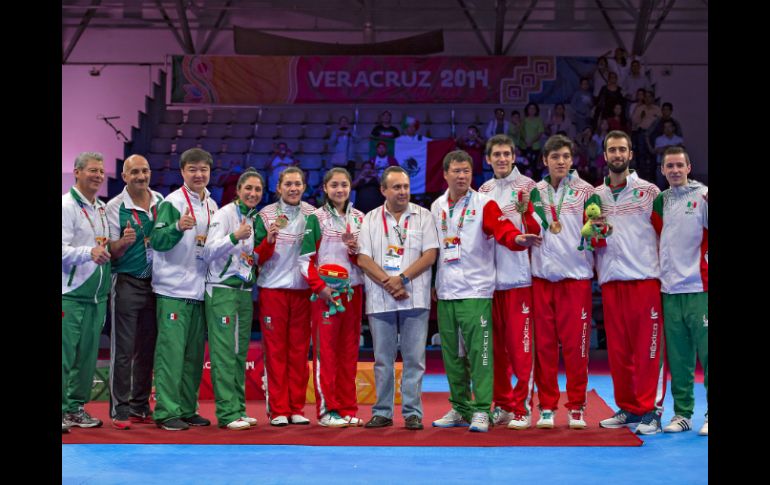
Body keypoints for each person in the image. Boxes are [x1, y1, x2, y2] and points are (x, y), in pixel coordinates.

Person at [430, 150, 542, 433]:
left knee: (480, 354)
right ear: (445, 174)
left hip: (476, 291)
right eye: (456, 171)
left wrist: (517, 239)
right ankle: (460, 407)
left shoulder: (485, 203)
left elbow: (503, 230)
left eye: (466, 171)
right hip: (446, 292)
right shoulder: (436, 206)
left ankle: (481, 410)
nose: (461, 176)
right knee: (453, 357)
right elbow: (431, 248)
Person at [594, 131, 666, 435]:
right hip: (611, 281)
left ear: (631, 154)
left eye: (622, 149)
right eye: (612, 150)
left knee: (648, 350)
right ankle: (628, 406)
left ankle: (652, 410)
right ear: (605, 155)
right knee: (619, 352)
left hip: (644, 281)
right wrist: (596, 235)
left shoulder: (650, 192)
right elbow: (594, 240)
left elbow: (667, 234)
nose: (617, 154)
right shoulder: (596, 196)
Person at [357, 166, 439, 431]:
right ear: (383, 190)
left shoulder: (423, 216)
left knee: (414, 359)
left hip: (414, 297)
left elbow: (430, 255)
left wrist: (401, 279)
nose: (403, 191)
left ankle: (413, 412)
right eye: (396, 187)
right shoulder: (369, 218)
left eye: (405, 186)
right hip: (381, 299)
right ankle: (382, 411)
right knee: (383, 359)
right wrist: (389, 283)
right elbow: (363, 258)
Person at [528, 135, 601, 429]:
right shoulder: (535, 192)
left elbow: (597, 231)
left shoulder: (587, 192)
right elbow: (530, 226)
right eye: (555, 156)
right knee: (544, 346)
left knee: (576, 347)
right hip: (542, 278)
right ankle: (546, 407)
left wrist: (599, 231)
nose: (561, 162)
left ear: (573, 160)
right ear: (545, 160)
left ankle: (576, 407)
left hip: (575, 279)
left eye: (566, 157)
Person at [150, 148, 219, 431]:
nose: (199, 174)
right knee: (171, 354)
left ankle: (187, 408)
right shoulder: (172, 202)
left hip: (200, 290)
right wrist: (177, 226)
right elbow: (157, 239)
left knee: (192, 356)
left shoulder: (213, 205)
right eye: (192, 169)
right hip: (173, 290)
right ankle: (166, 411)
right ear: (182, 172)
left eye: (203, 169)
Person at [477, 135, 540, 429]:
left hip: (519, 280)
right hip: (491, 282)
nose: (501, 159)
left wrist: (527, 210)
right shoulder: (484, 190)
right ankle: (502, 405)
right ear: (488, 159)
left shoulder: (529, 187)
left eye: (506, 154)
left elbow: (538, 231)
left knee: (521, 349)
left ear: (514, 157)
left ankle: (522, 408)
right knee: (496, 352)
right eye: (496, 155)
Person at [202, 168, 273, 430]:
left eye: (257, 190)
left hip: (243, 292)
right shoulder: (225, 214)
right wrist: (234, 236)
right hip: (221, 289)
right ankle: (227, 413)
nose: (253, 193)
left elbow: (248, 258)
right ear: (238, 190)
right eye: (249, 189)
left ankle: (238, 409)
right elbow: (208, 251)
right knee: (224, 353)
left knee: (238, 353)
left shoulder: (253, 219)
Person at [299, 168, 366, 427]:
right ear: (325, 188)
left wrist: (355, 249)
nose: (340, 190)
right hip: (326, 295)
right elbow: (304, 261)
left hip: (353, 292)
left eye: (344, 185)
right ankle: (327, 411)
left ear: (351, 188)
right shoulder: (315, 219)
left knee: (349, 353)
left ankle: (348, 408)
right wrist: (320, 288)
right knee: (326, 353)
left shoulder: (360, 218)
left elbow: (365, 259)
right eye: (334, 185)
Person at [105, 155, 165, 430]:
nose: (141, 176)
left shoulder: (160, 201)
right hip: (127, 281)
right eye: (135, 172)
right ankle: (120, 408)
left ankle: (140, 405)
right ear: (125, 175)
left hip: (155, 283)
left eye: (145, 171)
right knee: (124, 349)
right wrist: (124, 243)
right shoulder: (115, 207)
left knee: (148, 349)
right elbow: (110, 250)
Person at [651, 147, 708, 436]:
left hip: (701, 287)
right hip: (670, 289)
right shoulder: (660, 201)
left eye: (679, 165)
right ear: (662, 170)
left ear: (689, 167)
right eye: (669, 166)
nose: (674, 170)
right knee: (680, 357)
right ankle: (683, 413)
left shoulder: (704, 196)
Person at [255, 167, 316, 427]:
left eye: (298, 184)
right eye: (288, 184)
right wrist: (268, 241)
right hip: (273, 290)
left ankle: (296, 408)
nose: (293, 188)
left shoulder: (313, 214)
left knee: (300, 352)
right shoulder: (266, 215)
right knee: (276, 351)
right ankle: (278, 408)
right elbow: (255, 257)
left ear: (304, 187)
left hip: (303, 291)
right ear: (278, 188)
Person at [62, 152, 111, 433]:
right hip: (70, 293)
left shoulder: (101, 208)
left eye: (101, 172)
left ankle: (75, 409)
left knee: (87, 357)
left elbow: (103, 248)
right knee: (65, 355)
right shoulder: (66, 206)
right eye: (92, 170)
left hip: (96, 296)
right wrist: (87, 253)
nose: (98, 176)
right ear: (77, 172)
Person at [653, 120, 685, 188]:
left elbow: (681, 152)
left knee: (676, 188)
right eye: (665, 127)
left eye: (669, 127)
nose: (667, 129)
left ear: (673, 128)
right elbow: (658, 151)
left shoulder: (679, 139)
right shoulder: (659, 139)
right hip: (661, 166)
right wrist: (674, 147)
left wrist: (666, 148)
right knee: (660, 188)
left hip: (676, 167)